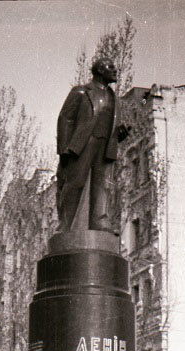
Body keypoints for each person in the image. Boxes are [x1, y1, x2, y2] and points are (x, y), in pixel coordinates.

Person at [56, 58, 126, 233]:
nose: (115, 70)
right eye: (110, 67)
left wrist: (120, 134)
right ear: (100, 70)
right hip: (83, 143)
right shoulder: (81, 92)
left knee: (103, 185)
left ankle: (99, 221)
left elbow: (112, 123)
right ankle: (66, 223)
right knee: (76, 182)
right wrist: (64, 148)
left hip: (105, 145)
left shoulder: (114, 98)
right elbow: (65, 118)